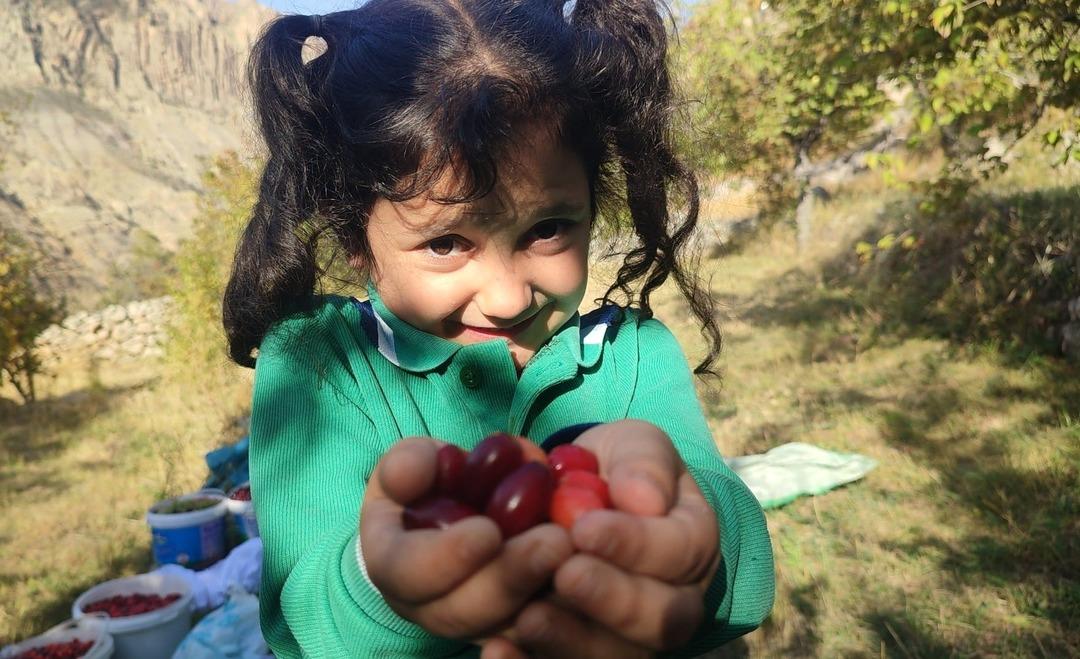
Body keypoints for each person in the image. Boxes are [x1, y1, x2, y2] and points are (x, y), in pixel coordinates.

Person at [222, 0, 775, 656]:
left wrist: (698, 538)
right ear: (355, 239)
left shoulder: (633, 357)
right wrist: (386, 585)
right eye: (448, 242)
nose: (508, 297)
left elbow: (743, 576)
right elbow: (304, 617)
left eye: (547, 228)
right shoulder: (320, 367)